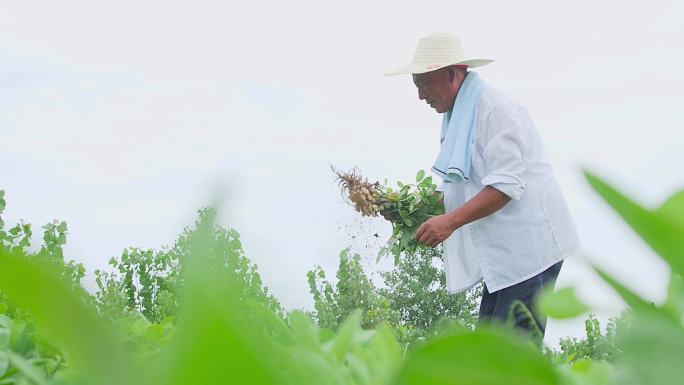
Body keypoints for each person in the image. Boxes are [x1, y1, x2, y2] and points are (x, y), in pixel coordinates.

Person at [385, 31, 580, 338]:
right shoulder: (456, 120)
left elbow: (506, 186)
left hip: (529, 251)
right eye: (417, 85)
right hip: (504, 259)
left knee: (512, 357)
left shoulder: (494, 109)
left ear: (451, 74)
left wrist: (448, 222)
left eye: (423, 84)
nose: (421, 95)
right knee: (490, 349)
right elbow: (455, 190)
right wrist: (398, 206)